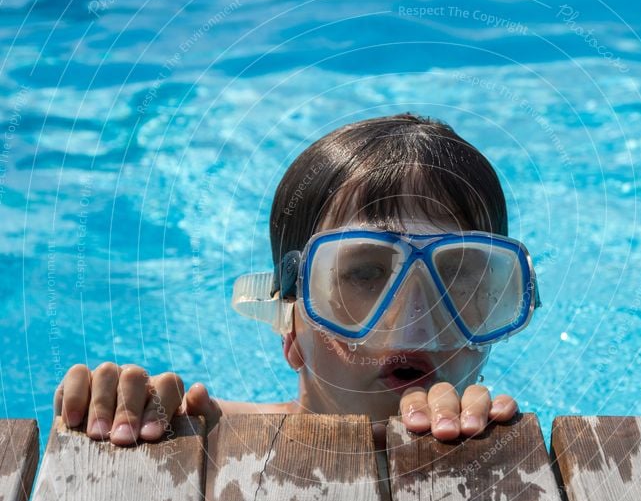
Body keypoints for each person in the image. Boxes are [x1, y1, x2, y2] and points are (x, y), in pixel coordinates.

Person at [53, 112, 541, 448]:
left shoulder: (508, 448)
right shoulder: (201, 434)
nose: (415, 320)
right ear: (289, 323)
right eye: (366, 273)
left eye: (458, 274)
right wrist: (124, 406)